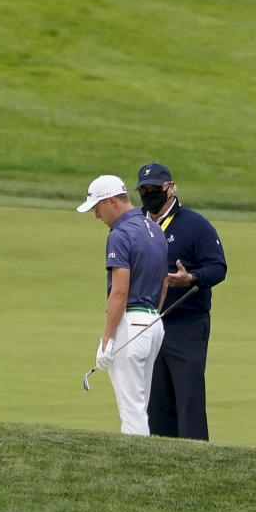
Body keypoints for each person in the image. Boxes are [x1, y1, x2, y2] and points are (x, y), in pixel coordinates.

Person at [135, 163, 227, 440]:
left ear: (171, 187)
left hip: (186, 323)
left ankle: (196, 460)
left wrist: (190, 278)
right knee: (156, 400)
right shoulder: (136, 224)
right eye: (144, 190)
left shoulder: (195, 224)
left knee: (188, 398)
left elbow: (218, 268)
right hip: (149, 321)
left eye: (155, 189)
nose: (150, 195)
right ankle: (162, 461)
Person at [77, 175, 168, 436]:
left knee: (132, 410)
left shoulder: (119, 234)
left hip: (131, 324)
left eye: (97, 208)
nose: (97, 216)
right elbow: (163, 285)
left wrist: (107, 338)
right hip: (153, 323)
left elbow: (119, 291)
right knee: (140, 405)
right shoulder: (155, 230)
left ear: (112, 202)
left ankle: (137, 469)